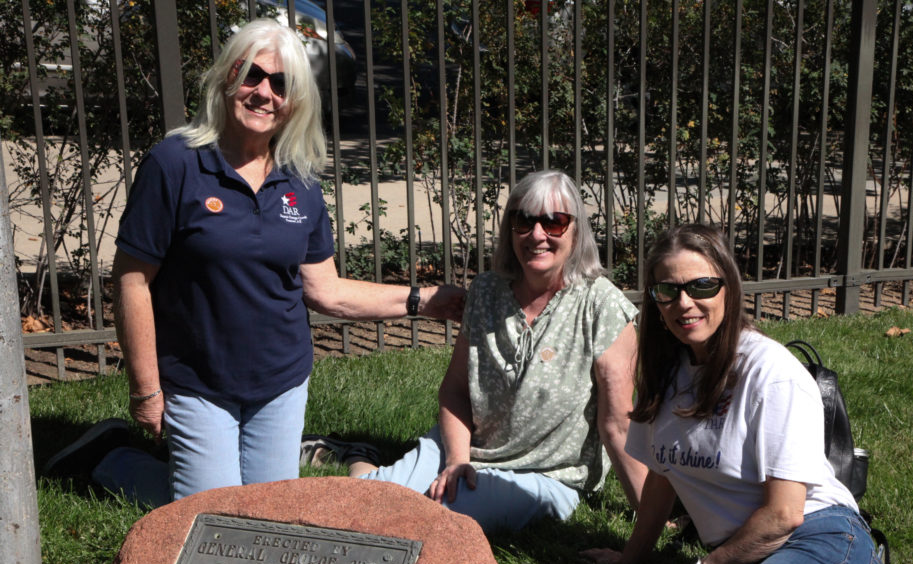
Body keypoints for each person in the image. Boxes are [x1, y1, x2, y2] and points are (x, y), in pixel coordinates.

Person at [42, 19, 462, 506]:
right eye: (253, 76)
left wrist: (422, 300)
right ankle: (111, 458)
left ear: (295, 101)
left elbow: (325, 291)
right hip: (200, 383)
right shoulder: (175, 163)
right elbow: (132, 281)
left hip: (280, 381)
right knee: (209, 514)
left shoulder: (299, 181)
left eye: (281, 84)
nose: (265, 93)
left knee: (267, 512)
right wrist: (146, 390)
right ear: (227, 79)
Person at [582, 224, 913, 564]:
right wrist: (632, 555)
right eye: (667, 290)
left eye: (701, 286)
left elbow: (784, 515)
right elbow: (661, 475)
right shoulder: (667, 372)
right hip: (746, 557)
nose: (684, 303)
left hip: (823, 545)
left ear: (728, 288)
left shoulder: (768, 372)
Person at [351, 170, 648, 534]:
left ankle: (365, 461)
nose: (537, 234)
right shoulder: (487, 291)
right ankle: (360, 461)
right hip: (464, 449)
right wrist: (458, 462)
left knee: (428, 518)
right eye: (524, 220)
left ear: (576, 231)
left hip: (543, 475)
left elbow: (617, 424)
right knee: (358, 501)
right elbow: (456, 390)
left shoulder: (602, 306)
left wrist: (652, 519)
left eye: (554, 222)